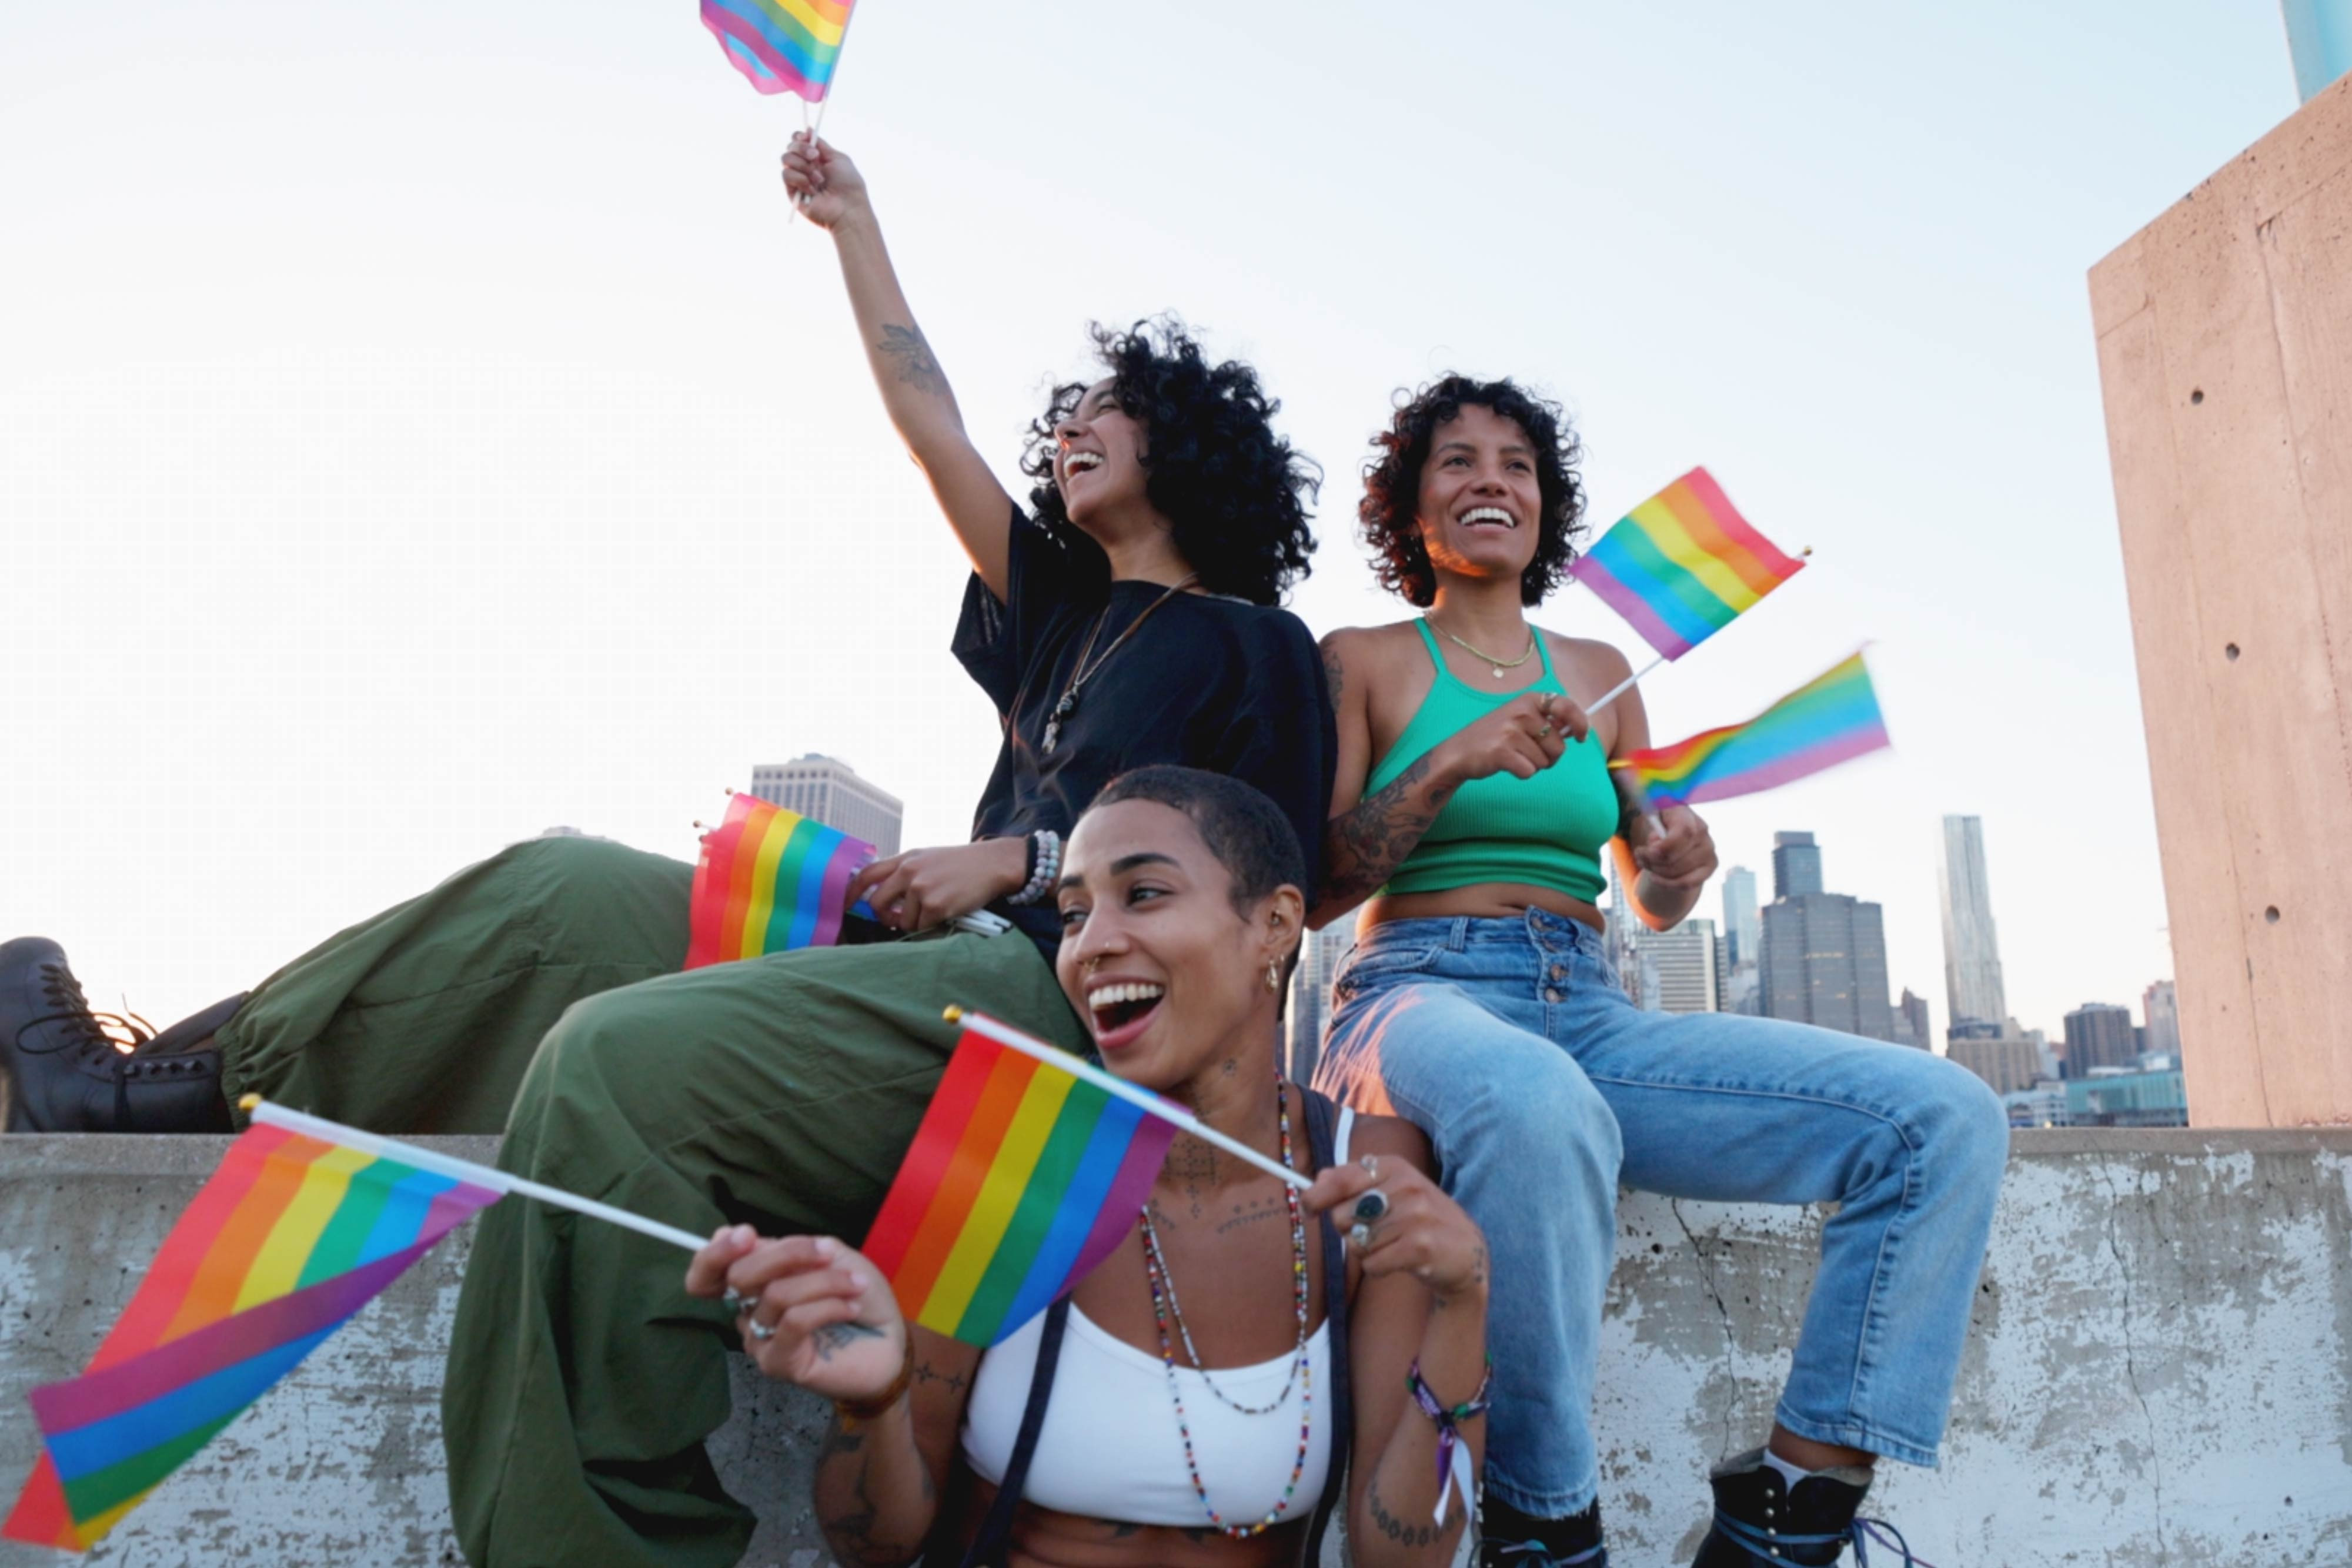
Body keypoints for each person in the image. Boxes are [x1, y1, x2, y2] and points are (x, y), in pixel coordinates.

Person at [432, 140, 1341, 1567]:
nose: (1072, 428)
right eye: (1068, 413)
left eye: (1112, 408)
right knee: (561, 888)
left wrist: (1023, 862)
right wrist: (851, 222)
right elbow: (930, 420)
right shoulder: (1055, 608)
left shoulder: (1255, 645)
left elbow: (1272, 871)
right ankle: (190, 1072)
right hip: (923, 962)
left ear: (1185, 443)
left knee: (610, 1063)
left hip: (1058, 1008)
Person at [1311, 376, 2009, 1567]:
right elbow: (1317, 880)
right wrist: (1445, 769)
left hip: (1585, 1002)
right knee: (1537, 1103)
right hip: (1413, 992)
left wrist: (1680, 860)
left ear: (1543, 502)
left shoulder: (1595, 667)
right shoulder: (1362, 657)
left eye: (1516, 463)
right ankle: (1540, 1520)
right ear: (1408, 508)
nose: (1490, 479)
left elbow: (1650, 889)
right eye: (1456, 461)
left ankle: (1793, 1503)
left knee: (1943, 1116)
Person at [687, 767, 1487, 1567]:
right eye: (1073, 913)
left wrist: (1463, 1301)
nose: (1092, 945)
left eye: (1143, 894)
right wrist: (874, 1403)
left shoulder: (1366, 1166)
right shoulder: (1005, 1147)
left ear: (1275, 925)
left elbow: (1403, 1557)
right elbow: (878, 1544)